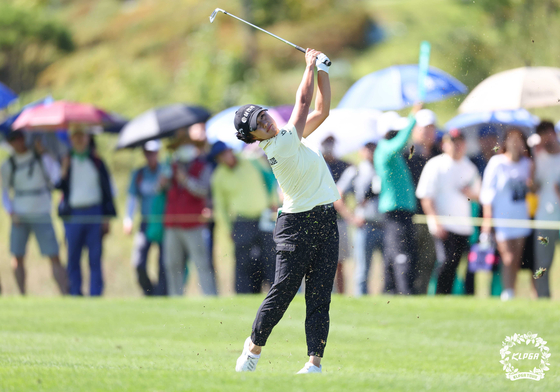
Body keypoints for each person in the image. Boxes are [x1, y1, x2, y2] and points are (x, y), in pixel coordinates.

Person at [234, 49, 338, 374]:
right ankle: (252, 350)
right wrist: (308, 65)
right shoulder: (278, 145)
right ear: (253, 137)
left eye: (263, 114)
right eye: (258, 123)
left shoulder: (290, 137)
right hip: (296, 226)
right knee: (281, 294)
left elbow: (322, 109)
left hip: (325, 220)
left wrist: (323, 70)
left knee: (320, 296)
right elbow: (304, 104)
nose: (265, 120)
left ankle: (314, 364)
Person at [1, 130, 68, 295]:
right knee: (17, 256)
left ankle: (65, 293)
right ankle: (22, 294)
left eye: (20, 138)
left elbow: (56, 176)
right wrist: (11, 212)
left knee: (53, 254)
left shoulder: (41, 157)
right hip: (19, 215)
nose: (18, 142)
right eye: (13, 139)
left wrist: (43, 153)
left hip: (42, 212)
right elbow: (3, 192)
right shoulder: (8, 165)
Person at [416, 129, 481, 294]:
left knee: (455, 264)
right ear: (445, 144)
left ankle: (447, 296)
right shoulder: (436, 165)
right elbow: (426, 196)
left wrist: (469, 193)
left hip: (463, 226)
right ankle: (438, 295)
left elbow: (480, 195)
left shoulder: (469, 167)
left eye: (459, 141)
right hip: (442, 225)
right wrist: (435, 221)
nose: (456, 145)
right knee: (444, 262)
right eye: (452, 142)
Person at [210, 141, 277, 294]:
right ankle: (245, 295)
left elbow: (270, 180)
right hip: (241, 222)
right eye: (220, 156)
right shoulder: (218, 177)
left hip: (264, 217)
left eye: (225, 153)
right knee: (244, 262)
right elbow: (221, 207)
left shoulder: (251, 160)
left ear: (230, 151)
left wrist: (273, 202)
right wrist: (228, 229)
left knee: (270, 258)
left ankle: (276, 294)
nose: (225, 157)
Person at [57, 126, 117, 296]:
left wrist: (107, 217)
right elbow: (58, 186)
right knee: (73, 256)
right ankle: (75, 292)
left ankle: (95, 293)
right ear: (71, 140)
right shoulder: (66, 161)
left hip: (94, 212)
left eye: (82, 136)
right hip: (73, 214)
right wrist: (64, 170)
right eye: (76, 137)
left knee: (95, 257)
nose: (80, 140)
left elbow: (107, 191)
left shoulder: (97, 161)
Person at [480, 127, 533, 301]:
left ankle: (511, 290)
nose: (515, 143)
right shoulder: (497, 163)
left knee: (516, 259)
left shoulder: (527, 164)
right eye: (512, 139)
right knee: (507, 258)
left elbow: (532, 189)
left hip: (521, 218)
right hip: (502, 218)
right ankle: (506, 292)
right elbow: (487, 195)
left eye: (519, 139)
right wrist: (487, 224)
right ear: (505, 142)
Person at [374, 106, 421, 295]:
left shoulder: (388, 151)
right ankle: (404, 291)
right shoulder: (385, 149)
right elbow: (400, 141)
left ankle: (390, 289)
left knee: (392, 251)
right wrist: (413, 118)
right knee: (402, 252)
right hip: (395, 210)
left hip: (400, 209)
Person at [162, 136, 217, 296]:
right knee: (172, 264)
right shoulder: (170, 167)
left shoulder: (203, 167)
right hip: (172, 223)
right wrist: (164, 181)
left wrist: (186, 180)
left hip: (194, 224)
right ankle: (175, 297)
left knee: (201, 263)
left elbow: (203, 190)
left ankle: (210, 296)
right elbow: (160, 190)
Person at [336, 141, 384, 297]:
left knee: (389, 268)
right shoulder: (355, 171)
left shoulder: (384, 168)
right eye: (367, 148)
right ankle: (361, 299)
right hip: (365, 225)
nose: (371, 151)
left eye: (373, 148)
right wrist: (351, 218)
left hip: (385, 224)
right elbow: (338, 196)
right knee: (362, 270)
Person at [124, 140, 167, 296]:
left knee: (164, 264)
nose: (151, 156)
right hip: (145, 222)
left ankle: (162, 294)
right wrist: (128, 219)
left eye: (153, 153)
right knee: (138, 262)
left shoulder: (166, 171)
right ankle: (149, 292)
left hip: (164, 223)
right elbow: (132, 198)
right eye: (148, 153)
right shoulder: (139, 174)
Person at [407, 109, 440, 295]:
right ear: (415, 130)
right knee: (411, 258)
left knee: (429, 259)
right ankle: (409, 293)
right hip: (412, 216)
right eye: (424, 128)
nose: (428, 133)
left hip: (433, 215)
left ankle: (422, 293)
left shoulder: (439, 153)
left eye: (432, 128)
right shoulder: (407, 154)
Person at [532, 120, 560, 298]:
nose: (547, 138)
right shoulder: (537, 159)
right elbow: (532, 188)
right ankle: (542, 298)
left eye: (549, 133)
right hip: (545, 220)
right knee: (542, 263)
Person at [320, 135, 351, 294]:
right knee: (320, 263)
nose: (329, 146)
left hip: (338, 220)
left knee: (339, 262)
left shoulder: (344, 165)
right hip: (319, 219)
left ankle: (340, 294)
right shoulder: (316, 163)